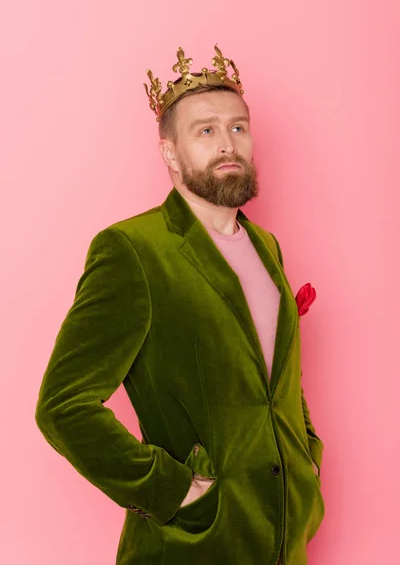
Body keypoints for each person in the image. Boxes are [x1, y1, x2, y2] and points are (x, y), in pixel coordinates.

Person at [35, 44, 325, 564]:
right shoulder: (133, 251)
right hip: (193, 542)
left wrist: (307, 458)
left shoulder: (267, 247)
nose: (227, 143)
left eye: (238, 127)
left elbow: (276, 376)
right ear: (170, 152)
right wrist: (169, 488)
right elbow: (63, 406)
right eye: (206, 130)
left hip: (284, 536)